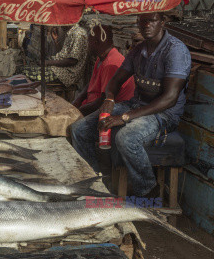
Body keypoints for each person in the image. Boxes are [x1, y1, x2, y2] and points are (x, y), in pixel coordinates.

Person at [70, 12, 191, 197]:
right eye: (142, 21)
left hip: (163, 114)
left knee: (126, 138)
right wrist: (109, 99)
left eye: (151, 20)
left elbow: (170, 98)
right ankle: (98, 180)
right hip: (135, 105)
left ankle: (149, 191)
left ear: (162, 22)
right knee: (79, 129)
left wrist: (124, 117)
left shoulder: (175, 50)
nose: (146, 25)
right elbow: (115, 81)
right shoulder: (138, 50)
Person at [72, 24, 135, 116]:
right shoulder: (101, 57)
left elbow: (102, 102)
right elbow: (92, 83)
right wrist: (78, 99)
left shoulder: (110, 64)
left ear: (96, 43)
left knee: (73, 127)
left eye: (88, 42)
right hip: (93, 104)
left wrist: (77, 112)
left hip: (111, 110)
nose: (87, 45)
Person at [22, 24, 88, 86]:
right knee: (28, 69)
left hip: (67, 73)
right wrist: (56, 40)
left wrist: (48, 63)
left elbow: (73, 61)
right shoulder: (71, 33)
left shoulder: (78, 34)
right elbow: (63, 54)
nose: (60, 26)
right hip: (60, 69)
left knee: (27, 72)